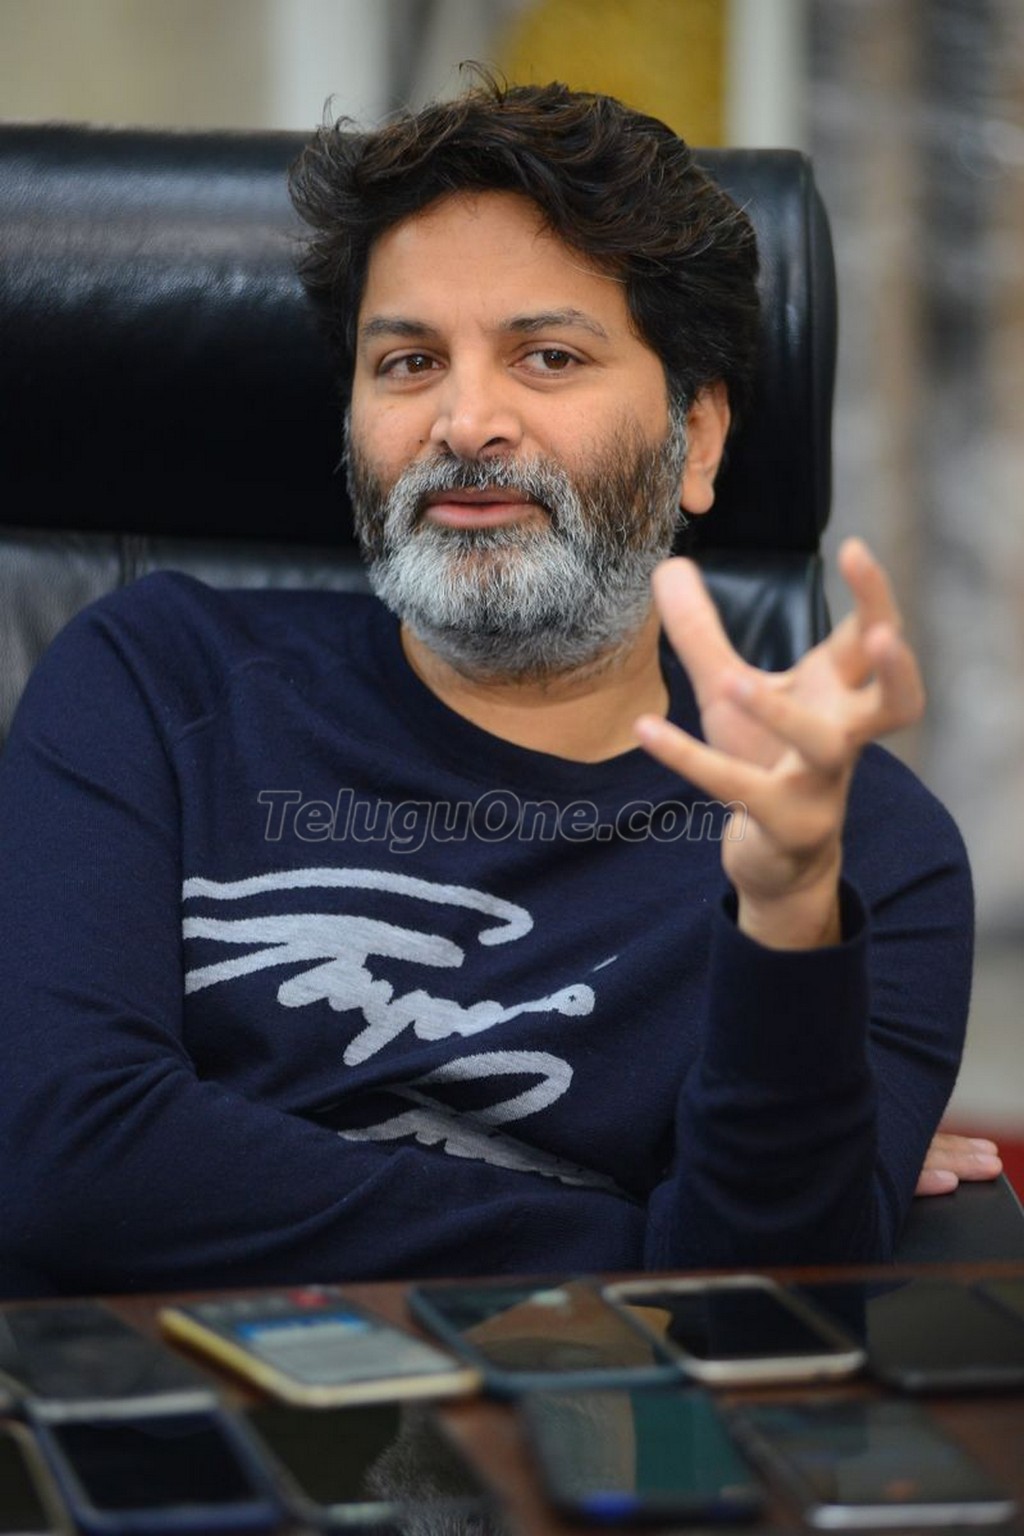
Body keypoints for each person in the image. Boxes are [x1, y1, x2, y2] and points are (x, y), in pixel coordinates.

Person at [0, 78, 997, 1299]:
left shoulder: (852, 845)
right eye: (409, 361)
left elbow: (762, 1320)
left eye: (548, 356)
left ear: (697, 438)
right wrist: (640, 1249)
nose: (466, 421)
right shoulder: (155, 680)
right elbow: (66, 1166)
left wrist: (786, 918)